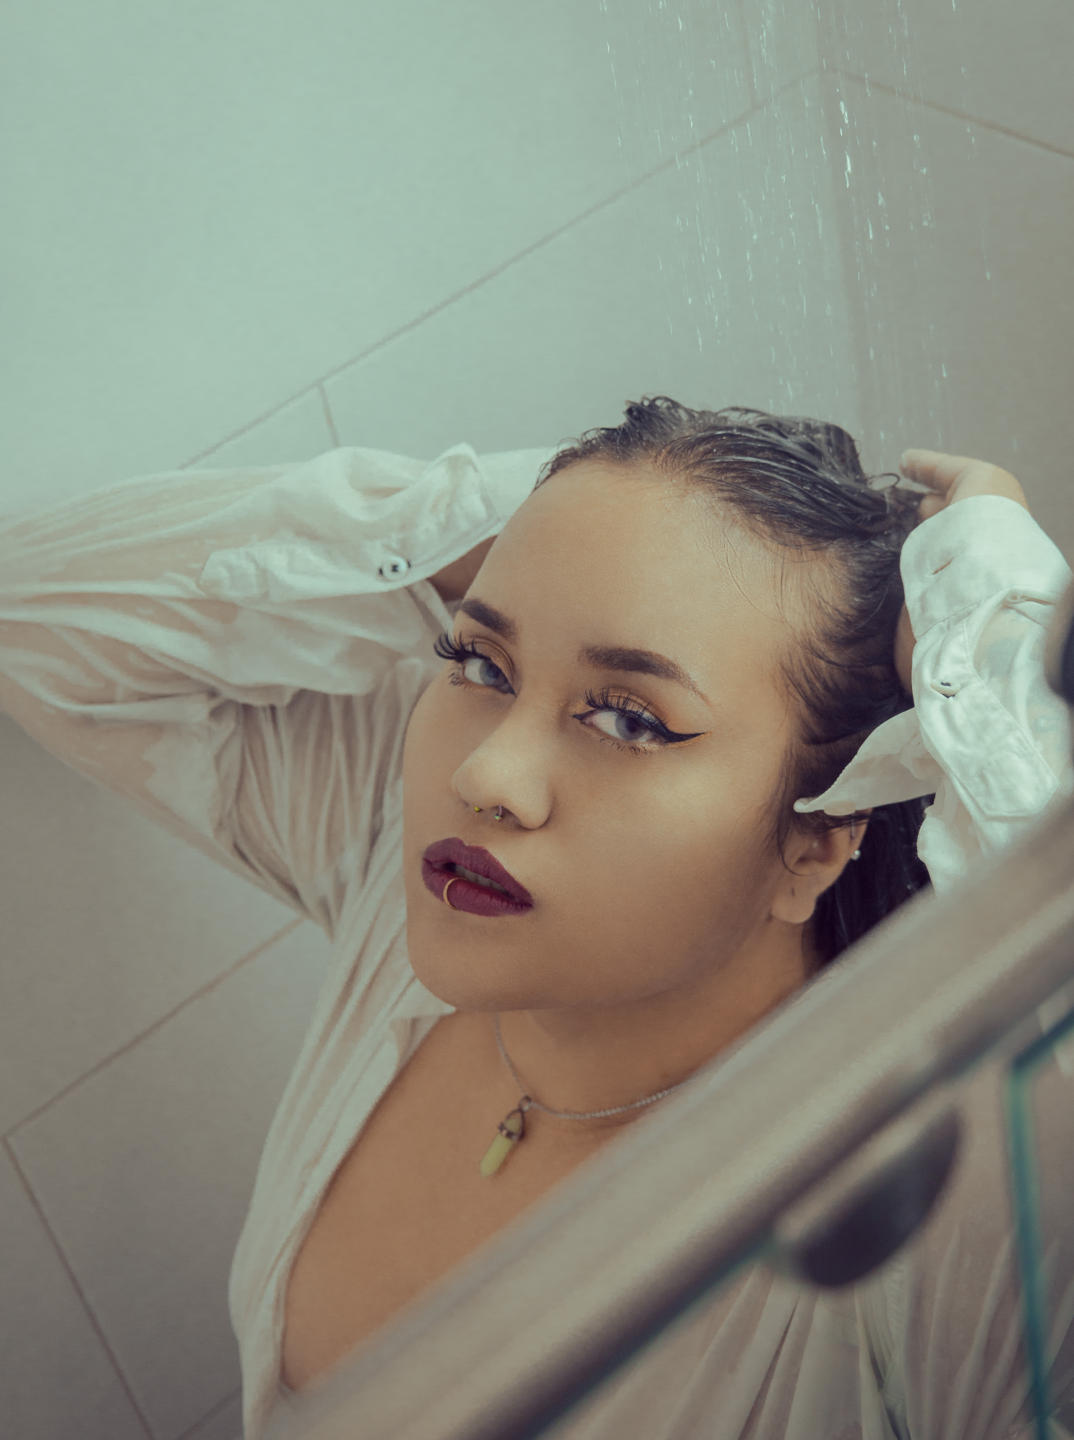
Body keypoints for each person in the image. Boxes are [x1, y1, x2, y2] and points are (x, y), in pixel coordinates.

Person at [2, 399, 1072, 1439]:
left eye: (630, 720)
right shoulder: (408, 876)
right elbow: (30, 607)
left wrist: (991, 676)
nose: (485, 775)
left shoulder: (922, 1214)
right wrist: (539, 521)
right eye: (480, 663)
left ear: (817, 841)